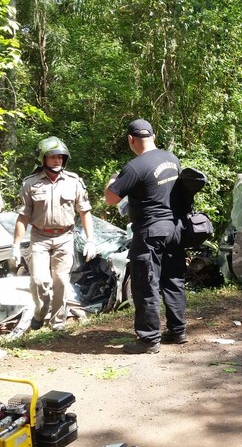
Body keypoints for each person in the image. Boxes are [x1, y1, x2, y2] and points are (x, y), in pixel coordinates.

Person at [104, 118, 186, 354]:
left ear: (131, 140)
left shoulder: (134, 167)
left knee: (145, 283)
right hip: (174, 228)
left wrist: (111, 181)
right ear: (153, 136)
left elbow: (111, 199)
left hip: (150, 231)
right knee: (173, 280)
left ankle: (149, 339)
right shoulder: (171, 159)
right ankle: (178, 331)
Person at [12, 136, 96, 331]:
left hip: (65, 237)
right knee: (39, 280)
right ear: (43, 159)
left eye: (60, 157)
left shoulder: (74, 182)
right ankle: (40, 312)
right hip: (39, 237)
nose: (57, 161)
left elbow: (84, 212)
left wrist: (90, 240)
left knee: (61, 280)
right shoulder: (30, 184)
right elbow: (23, 217)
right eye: (52, 157)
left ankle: (58, 323)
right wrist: (16, 245)